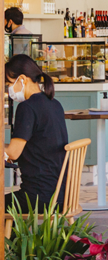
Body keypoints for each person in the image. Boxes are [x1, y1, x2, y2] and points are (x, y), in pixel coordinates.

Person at [4, 55, 68, 213]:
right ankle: (13, 237)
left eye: (9, 84)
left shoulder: (27, 108)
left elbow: (12, 153)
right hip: (61, 194)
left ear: (22, 79)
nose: (7, 90)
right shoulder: (54, 103)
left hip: (39, 197)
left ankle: (9, 238)